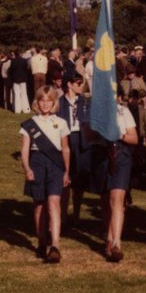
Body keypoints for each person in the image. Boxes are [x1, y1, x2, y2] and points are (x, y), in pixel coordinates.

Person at [20, 86, 70, 263]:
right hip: (37, 163)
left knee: (54, 201)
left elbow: (65, 148)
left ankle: (55, 245)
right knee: (39, 204)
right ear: (37, 102)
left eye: (49, 100)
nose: (46, 104)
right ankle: (42, 241)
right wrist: (27, 168)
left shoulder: (62, 122)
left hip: (56, 165)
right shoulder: (30, 124)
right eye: (42, 100)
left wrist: (67, 171)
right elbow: (25, 149)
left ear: (54, 102)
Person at [90, 88, 139, 262]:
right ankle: (110, 237)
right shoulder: (95, 112)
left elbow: (135, 138)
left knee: (117, 198)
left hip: (120, 156)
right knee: (105, 200)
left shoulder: (123, 111)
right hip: (101, 155)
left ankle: (117, 243)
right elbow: (89, 136)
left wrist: (120, 134)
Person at [58, 72, 91, 224]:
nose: (81, 86)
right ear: (69, 85)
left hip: (81, 140)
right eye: (78, 83)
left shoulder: (85, 102)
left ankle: (76, 213)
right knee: (66, 178)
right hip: (65, 140)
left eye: (82, 82)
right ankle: (63, 215)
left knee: (79, 180)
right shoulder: (59, 103)